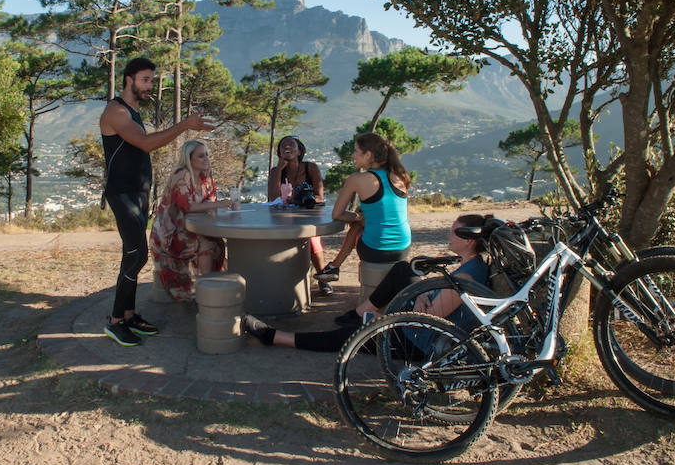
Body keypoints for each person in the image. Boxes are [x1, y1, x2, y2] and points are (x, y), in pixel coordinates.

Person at [242, 213, 492, 352]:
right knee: (403, 269)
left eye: (453, 230)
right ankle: (361, 314)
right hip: (425, 317)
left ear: (469, 240)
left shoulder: (467, 278)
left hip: (419, 340)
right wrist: (422, 292)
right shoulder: (472, 266)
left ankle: (273, 336)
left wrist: (419, 296)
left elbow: (427, 321)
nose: (448, 234)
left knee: (347, 338)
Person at [99, 57, 215, 347]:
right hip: (122, 193)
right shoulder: (116, 111)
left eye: (152, 80)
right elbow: (146, 144)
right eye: (145, 80)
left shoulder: (134, 112)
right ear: (129, 80)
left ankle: (129, 314)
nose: (151, 85)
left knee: (137, 255)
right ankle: (115, 322)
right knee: (135, 254)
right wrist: (185, 125)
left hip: (138, 192)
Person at [150, 140, 236, 301]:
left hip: (191, 228)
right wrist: (223, 203)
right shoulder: (181, 175)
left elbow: (209, 203)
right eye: (201, 156)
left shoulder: (205, 176)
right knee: (206, 244)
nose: (206, 159)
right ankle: (208, 294)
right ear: (189, 159)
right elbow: (187, 206)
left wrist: (217, 207)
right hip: (171, 233)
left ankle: (211, 284)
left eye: (207, 155)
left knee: (217, 242)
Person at [266, 136, 333, 296]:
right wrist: (279, 170)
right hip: (282, 216)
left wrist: (300, 198)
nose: (287, 147)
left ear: (300, 150)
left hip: (307, 215)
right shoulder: (276, 171)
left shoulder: (311, 168)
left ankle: (323, 277)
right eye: (283, 145)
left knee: (312, 240)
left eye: (291, 144)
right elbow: (272, 197)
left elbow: (319, 196)